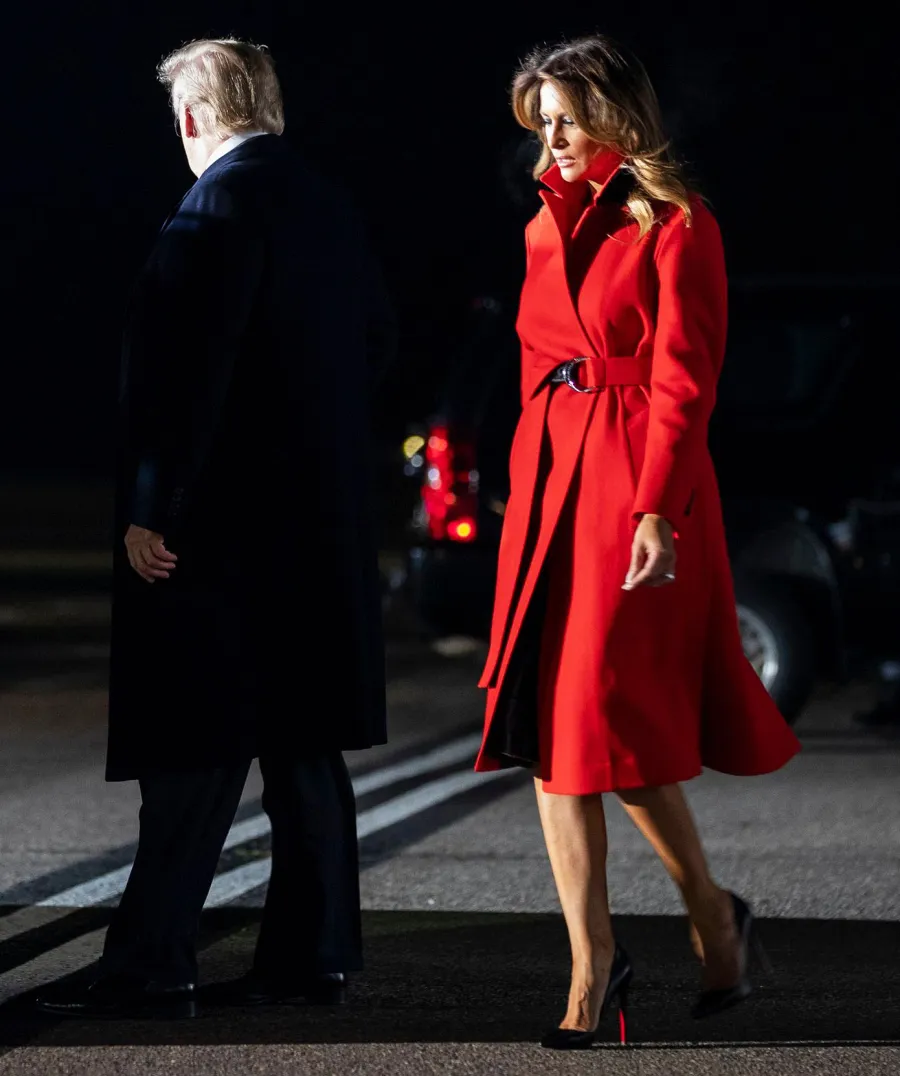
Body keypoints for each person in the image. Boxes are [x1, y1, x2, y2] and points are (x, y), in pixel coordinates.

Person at [36, 37, 394, 1020]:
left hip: (222, 538)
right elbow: (375, 348)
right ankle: (312, 957)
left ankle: (154, 965)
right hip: (316, 534)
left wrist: (155, 503)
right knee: (305, 753)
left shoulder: (216, 205)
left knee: (190, 758)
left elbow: (185, 374)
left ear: (194, 115)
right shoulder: (328, 204)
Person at [473, 35, 802, 1049]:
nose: (556, 138)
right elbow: (536, 362)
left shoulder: (677, 224)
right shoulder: (540, 228)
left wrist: (655, 505)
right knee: (552, 730)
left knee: (597, 717)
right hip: (552, 492)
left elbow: (684, 382)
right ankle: (616, 951)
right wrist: (525, 487)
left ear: (619, 113)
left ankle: (700, 915)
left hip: (636, 488)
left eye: (569, 116)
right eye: (544, 121)